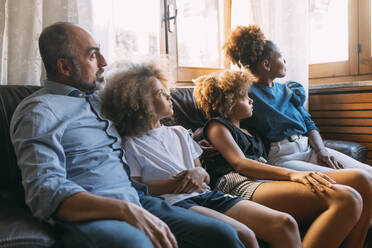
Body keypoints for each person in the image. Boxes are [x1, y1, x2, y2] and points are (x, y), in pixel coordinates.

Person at [10, 22, 249, 248]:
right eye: (93, 55)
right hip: (93, 211)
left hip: (138, 199)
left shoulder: (100, 100)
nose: (104, 61)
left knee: (223, 235)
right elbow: (44, 192)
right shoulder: (40, 111)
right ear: (64, 67)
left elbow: (147, 110)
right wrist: (124, 209)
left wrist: (194, 136)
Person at [101, 61, 306, 248]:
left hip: (206, 194)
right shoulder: (130, 145)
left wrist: (199, 174)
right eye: (160, 94)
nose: (169, 96)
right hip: (175, 201)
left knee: (285, 223)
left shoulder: (180, 132)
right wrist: (176, 184)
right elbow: (137, 189)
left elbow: (203, 174)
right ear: (139, 102)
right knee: (245, 235)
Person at [193, 69, 372, 248]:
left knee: (362, 179)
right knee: (347, 198)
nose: (250, 99)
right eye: (244, 96)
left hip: (263, 180)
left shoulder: (253, 131)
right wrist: (293, 174)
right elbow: (240, 164)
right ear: (228, 103)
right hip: (238, 183)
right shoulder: (217, 126)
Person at [223, 25, 372, 177]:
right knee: (355, 178)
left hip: (308, 148)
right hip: (281, 158)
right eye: (280, 56)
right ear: (266, 64)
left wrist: (322, 151)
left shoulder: (288, 90)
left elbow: (308, 123)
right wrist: (205, 134)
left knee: (368, 172)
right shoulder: (246, 94)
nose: (285, 60)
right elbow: (229, 121)